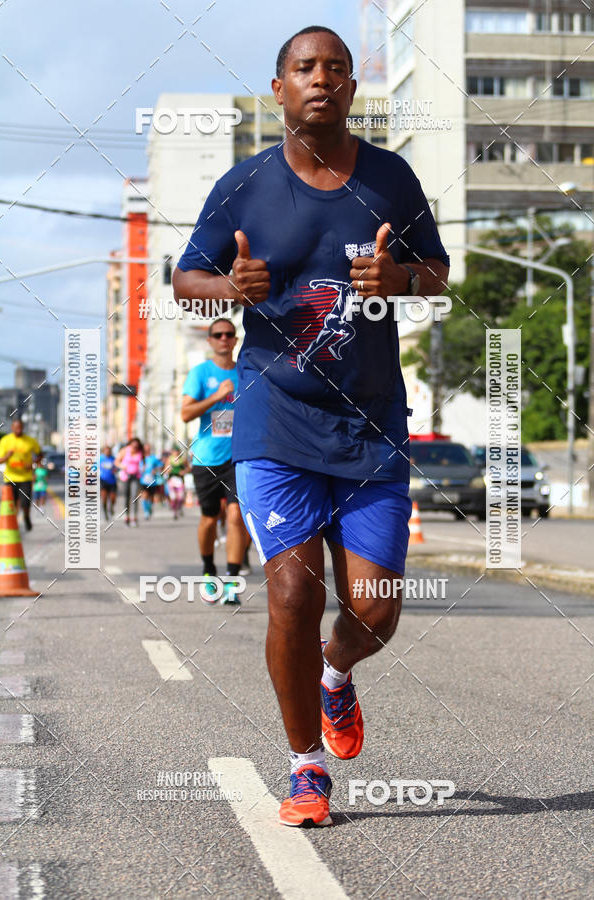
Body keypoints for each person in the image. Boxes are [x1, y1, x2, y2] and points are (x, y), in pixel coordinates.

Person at [173, 26, 449, 827]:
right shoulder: (244, 185)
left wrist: (400, 278)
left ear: (352, 89)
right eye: (305, 68)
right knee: (293, 593)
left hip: (371, 425)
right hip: (276, 419)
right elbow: (185, 278)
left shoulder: (391, 178)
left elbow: (437, 273)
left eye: (336, 68)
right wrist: (229, 288)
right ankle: (304, 768)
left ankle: (336, 672)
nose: (321, 78)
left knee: (376, 611)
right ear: (280, 88)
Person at [181, 318, 250, 606]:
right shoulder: (200, 373)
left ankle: (232, 581)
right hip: (207, 458)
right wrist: (217, 396)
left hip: (239, 457)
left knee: (236, 516)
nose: (224, 338)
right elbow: (186, 413)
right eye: (218, 335)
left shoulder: (245, 371)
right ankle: (209, 571)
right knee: (209, 518)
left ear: (235, 339)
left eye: (229, 334)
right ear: (209, 341)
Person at [0, 418, 42, 531]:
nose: (18, 429)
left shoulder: (30, 441)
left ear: (23, 428)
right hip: (10, 478)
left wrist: (33, 464)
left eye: (20, 427)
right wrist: (7, 456)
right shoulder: (5, 440)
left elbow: (40, 455)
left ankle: (26, 516)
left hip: (25, 478)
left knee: (25, 504)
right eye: (16, 427)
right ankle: (13, 525)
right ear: (12, 428)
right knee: (12, 504)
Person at [115, 437, 144, 527]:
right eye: (133, 444)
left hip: (135, 476)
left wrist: (143, 468)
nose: (135, 446)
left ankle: (134, 517)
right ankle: (127, 517)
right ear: (130, 444)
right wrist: (122, 466)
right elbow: (116, 462)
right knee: (127, 497)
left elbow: (143, 462)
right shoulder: (124, 450)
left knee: (134, 496)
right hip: (126, 476)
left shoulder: (140, 452)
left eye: (136, 445)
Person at [140, 444, 162, 520]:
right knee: (144, 495)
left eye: (148, 449)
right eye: (145, 449)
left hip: (152, 481)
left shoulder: (154, 458)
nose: (147, 450)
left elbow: (160, 466)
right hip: (143, 480)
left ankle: (149, 508)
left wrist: (155, 470)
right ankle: (146, 512)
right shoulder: (141, 458)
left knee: (151, 497)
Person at [166, 447, 188, 519]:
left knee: (180, 497)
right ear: (172, 452)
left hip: (180, 480)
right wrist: (168, 470)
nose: (176, 453)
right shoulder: (169, 459)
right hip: (172, 480)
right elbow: (165, 470)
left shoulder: (183, 460)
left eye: (177, 451)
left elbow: (188, 468)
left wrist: (184, 472)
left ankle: (179, 508)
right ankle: (174, 512)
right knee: (173, 497)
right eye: (174, 451)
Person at [100, 445, 117, 520]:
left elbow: (117, 467)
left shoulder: (113, 459)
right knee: (104, 498)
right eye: (106, 451)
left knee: (113, 498)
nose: (107, 452)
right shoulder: (100, 459)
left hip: (112, 481)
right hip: (103, 480)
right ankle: (105, 513)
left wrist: (116, 470)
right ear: (104, 451)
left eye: (109, 451)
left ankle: (111, 507)